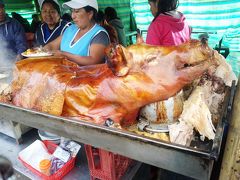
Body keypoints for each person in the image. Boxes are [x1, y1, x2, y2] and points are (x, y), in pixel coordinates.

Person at [44, 0, 110, 66]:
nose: (72, 16)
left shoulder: (99, 34)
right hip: (64, 74)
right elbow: (52, 46)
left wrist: (64, 55)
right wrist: (42, 51)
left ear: (90, 14)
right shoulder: (70, 29)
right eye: (72, 11)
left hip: (86, 75)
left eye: (77, 11)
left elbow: (94, 60)